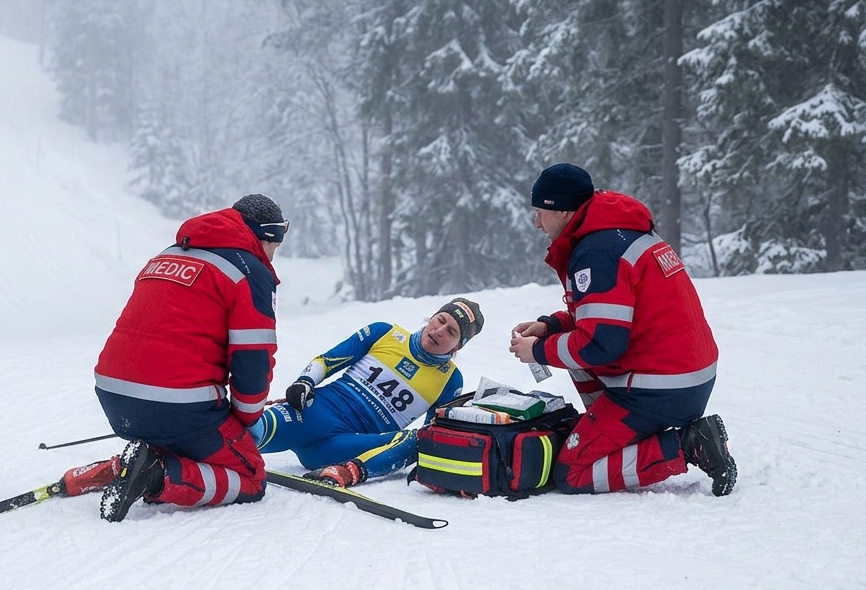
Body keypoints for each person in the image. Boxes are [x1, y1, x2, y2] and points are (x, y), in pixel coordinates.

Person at [509, 163, 737, 496]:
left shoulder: (598, 251)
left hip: (659, 389)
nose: (537, 222)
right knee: (571, 349)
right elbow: (608, 316)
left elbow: (600, 344)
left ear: (563, 211)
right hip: (685, 377)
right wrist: (551, 325)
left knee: (572, 472)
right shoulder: (615, 231)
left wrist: (537, 351)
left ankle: (687, 446)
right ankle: (613, 432)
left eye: (541, 212)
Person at [93, 194, 286, 522]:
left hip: (113, 396)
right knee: (252, 477)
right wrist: (247, 419)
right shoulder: (248, 270)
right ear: (265, 237)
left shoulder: (167, 255)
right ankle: (156, 477)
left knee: (175, 441)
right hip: (178, 406)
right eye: (276, 244)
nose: (273, 255)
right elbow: (253, 358)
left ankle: (147, 459)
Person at [251, 297, 482, 488]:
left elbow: (430, 435)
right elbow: (327, 361)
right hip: (311, 415)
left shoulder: (451, 380)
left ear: (457, 346)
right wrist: (304, 382)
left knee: (420, 439)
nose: (439, 331)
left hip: (348, 445)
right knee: (244, 433)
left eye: (451, 332)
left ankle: (347, 473)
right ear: (432, 317)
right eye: (440, 320)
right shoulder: (384, 333)